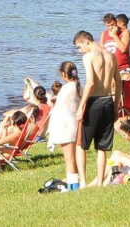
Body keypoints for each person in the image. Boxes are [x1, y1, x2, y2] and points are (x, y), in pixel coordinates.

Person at [73, 30, 121, 188]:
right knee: (102, 146)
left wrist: (81, 106)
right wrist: (115, 106)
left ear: (86, 41)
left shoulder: (88, 57)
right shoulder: (111, 55)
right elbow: (118, 83)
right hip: (108, 101)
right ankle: (100, 182)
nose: (80, 51)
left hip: (93, 102)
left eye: (80, 47)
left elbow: (91, 83)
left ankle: (83, 183)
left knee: (81, 144)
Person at [48, 61, 82, 189]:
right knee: (74, 156)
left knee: (69, 158)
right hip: (76, 125)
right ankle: (76, 181)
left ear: (63, 74)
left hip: (66, 127)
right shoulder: (79, 87)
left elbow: (59, 109)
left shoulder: (66, 89)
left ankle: (73, 185)